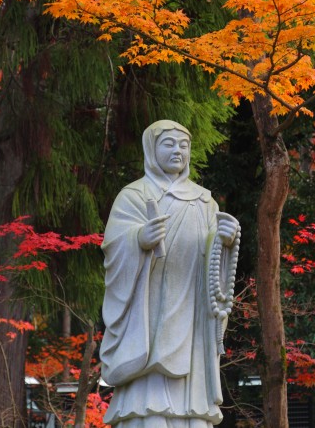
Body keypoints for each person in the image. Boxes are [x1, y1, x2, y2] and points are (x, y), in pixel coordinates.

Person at [100, 120, 240, 428]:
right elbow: (114, 249)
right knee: (148, 403)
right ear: (151, 148)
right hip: (150, 312)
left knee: (191, 398)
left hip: (191, 311)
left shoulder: (204, 201)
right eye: (169, 144)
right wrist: (138, 239)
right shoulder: (134, 195)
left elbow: (214, 260)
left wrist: (225, 241)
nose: (178, 150)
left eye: (184, 145)